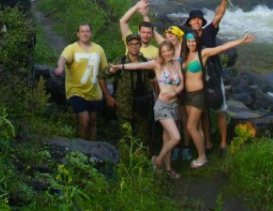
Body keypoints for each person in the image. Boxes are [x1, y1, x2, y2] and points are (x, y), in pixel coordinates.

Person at [110, 40, 184, 179]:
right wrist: (119, 66)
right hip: (162, 106)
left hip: (174, 105)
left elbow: (182, 84)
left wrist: (175, 93)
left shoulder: (176, 63)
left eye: (169, 50)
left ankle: (168, 169)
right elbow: (137, 65)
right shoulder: (157, 64)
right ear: (160, 54)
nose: (167, 53)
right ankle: (158, 160)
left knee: (167, 139)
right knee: (176, 137)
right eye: (164, 51)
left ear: (173, 51)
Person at [182, 31, 255, 169]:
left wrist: (241, 40)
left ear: (197, 41)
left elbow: (222, 48)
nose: (191, 44)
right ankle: (201, 151)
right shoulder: (184, 55)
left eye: (193, 41)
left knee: (190, 127)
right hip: (187, 95)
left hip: (198, 95)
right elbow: (165, 44)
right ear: (185, 42)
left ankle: (202, 157)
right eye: (189, 41)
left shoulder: (202, 53)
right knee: (196, 126)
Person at [186, 0, 232, 153]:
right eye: (194, 19)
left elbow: (218, 16)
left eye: (199, 19)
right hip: (197, 80)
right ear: (190, 23)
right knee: (203, 112)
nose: (197, 22)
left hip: (213, 75)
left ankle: (223, 144)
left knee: (220, 109)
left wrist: (224, 0)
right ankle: (207, 143)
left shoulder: (209, 31)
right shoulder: (189, 38)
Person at [54, 23, 113, 140]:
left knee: (93, 121)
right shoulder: (71, 48)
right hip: (76, 91)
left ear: (91, 33)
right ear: (78, 34)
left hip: (94, 92)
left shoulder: (98, 49)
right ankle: (82, 149)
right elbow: (63, 58)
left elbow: (104, 70)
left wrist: (113, 70)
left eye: (87, 31)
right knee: (84, 120)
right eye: (82, 31)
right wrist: (60, 66)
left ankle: (92, 149)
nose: (85, 34)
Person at [107, 33, 154, 144]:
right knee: (125, 139)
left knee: (143, 140)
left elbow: (155, 78)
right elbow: (101, 77)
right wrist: (107, 96)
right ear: (127, 46)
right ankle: (125, 160)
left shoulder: (147, 62)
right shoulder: (119, 62)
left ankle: (140, 160)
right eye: (131, 44)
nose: (134, 46)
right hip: (124, 106)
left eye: (137, 44)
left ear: (141, 45)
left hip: (142, 106)